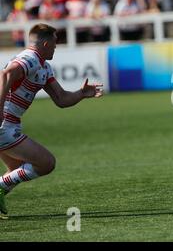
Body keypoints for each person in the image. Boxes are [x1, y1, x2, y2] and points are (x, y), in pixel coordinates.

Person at [0, 23, 103, 219]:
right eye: (55, 42)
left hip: (10, 124)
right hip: (5, 124)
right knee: (46, 164)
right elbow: (5, 74)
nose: (57, 46)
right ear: (46, 43)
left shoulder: (43, 67)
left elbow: (61, 99)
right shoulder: (29, 58)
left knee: (15, 172)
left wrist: (81, 94)